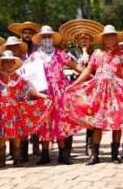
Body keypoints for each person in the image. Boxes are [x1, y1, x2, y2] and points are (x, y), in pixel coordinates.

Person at [65, 25, 123, 165]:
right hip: (99, 92)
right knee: (97, 123)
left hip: (116, 92)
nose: (109, 39)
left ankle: (115, 155)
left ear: (116, 39)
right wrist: (75, 84)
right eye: (107, 37)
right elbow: (87, 70)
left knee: (117, 123)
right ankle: (94, 156)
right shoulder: (97, 53)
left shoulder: (122, 55)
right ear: (103, 39)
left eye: (112, 37)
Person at [27, 25, 83, 165]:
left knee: (61, 121)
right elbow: (27, 74)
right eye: (44, 37)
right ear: (40, 39)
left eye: (49, 37)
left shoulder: (60, 53)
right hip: (43, 93)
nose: (47, 39)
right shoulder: (34, 57)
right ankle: (45, 154)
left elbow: (76, 66)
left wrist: (87, 73)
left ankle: (62, 154)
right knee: (44, 122)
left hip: (59, 92)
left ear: (53, 39)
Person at [0, 50, 52, 167]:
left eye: (11, 62)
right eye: (6, 62)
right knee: (2, 135)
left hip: (15, 111)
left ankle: (17, 158)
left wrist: (42, 96)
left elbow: (29, 90)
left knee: (17, 134)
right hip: (1, 111)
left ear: (14, 64)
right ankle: (2, 159)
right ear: (2, 64)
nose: (9, 65)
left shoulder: (19, 79)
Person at [59, 19, 104, 156]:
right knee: (70, 117)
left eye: (86, 38)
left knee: (92, 117)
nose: (84, 40)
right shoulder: (70, 53)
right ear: (76, 41)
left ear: (92, 40)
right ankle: (67, 148)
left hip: (93, 89)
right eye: (80, 38)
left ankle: (90, 146)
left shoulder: (98, 53)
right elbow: (70, 68)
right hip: (74, 87)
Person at [8, 21, 42, 156]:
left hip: (35, 86)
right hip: (18, 89)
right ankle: (19, 150)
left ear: (33, 35)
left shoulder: (38, 50)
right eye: (25, 33)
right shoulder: (16, 49)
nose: (27, 35)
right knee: (19, 118)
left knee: (35, 115)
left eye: (30, 33)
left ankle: (36, 146)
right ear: (21, 35)